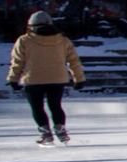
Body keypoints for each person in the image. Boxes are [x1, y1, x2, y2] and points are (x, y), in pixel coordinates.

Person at [8, 10, 85, 145]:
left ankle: (46, 133)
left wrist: (13, 79)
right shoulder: (63, 40)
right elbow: (74, 61)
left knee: (37, 108)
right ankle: (60, 129)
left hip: (33, 79)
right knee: (55, 105)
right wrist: (79, 79)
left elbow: (17, 61)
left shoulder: (24, 40)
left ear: (31, 25)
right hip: (57, 79)